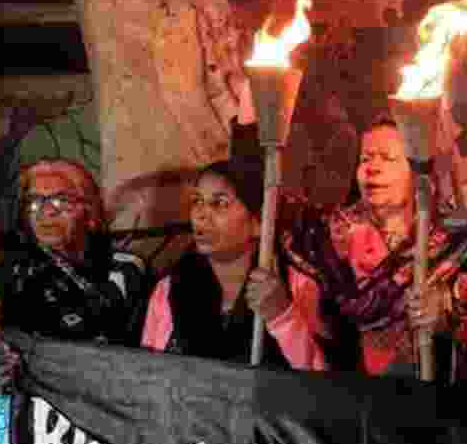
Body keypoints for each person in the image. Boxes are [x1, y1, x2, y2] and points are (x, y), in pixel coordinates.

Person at [286, 119, 467, 379]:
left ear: (420, 174)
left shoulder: (458, 241)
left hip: (434, 405)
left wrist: (445, 317)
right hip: (347, 401)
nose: (372, 169)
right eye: (365, 158)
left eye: (389, 158)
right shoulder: (326, 243)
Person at [141, 153, 329, 370]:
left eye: (219, 203)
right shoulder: (169, 290)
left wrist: (283, 317)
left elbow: (322, 390)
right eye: (197, 201)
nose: (201, 214)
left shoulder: (298, 288)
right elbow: (148, 377)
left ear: (259, 222)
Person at [0, 159, 146, 344]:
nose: (47, 211)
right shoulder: (16, 269)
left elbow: (103, 325)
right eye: (35, 201)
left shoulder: (124, 266)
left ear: (90, 213)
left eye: (62, 200)